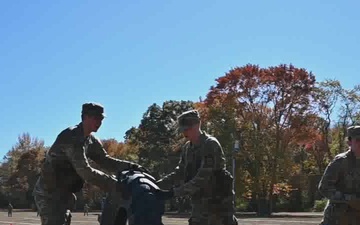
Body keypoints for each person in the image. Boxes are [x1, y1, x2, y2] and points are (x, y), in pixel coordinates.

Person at [33, 102, 146, 225]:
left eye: (101, 119)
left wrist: (131, 167)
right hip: (49, 194)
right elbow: (85, 171)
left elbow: (105, 161)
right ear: (85, 117)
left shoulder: (91, 140)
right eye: (96, 118)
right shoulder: (72, 137)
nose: (100, 122)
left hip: (64, 194)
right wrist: (113, 184)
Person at [155, 109, 238, 225]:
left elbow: (202, 178)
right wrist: (157, 185)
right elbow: (180, 172)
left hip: (218, 206)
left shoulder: (210, 144)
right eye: (183, 129)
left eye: (188, 129)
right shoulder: (187, 148)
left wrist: (174, 193)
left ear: (198, 124)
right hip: (199, 206)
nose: (185, 133)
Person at [318, 125, 360, 225]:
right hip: (338, 218)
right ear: (349, 142)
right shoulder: (341, 162)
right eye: (358, 140)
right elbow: (324, 187)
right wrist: (350, 199)